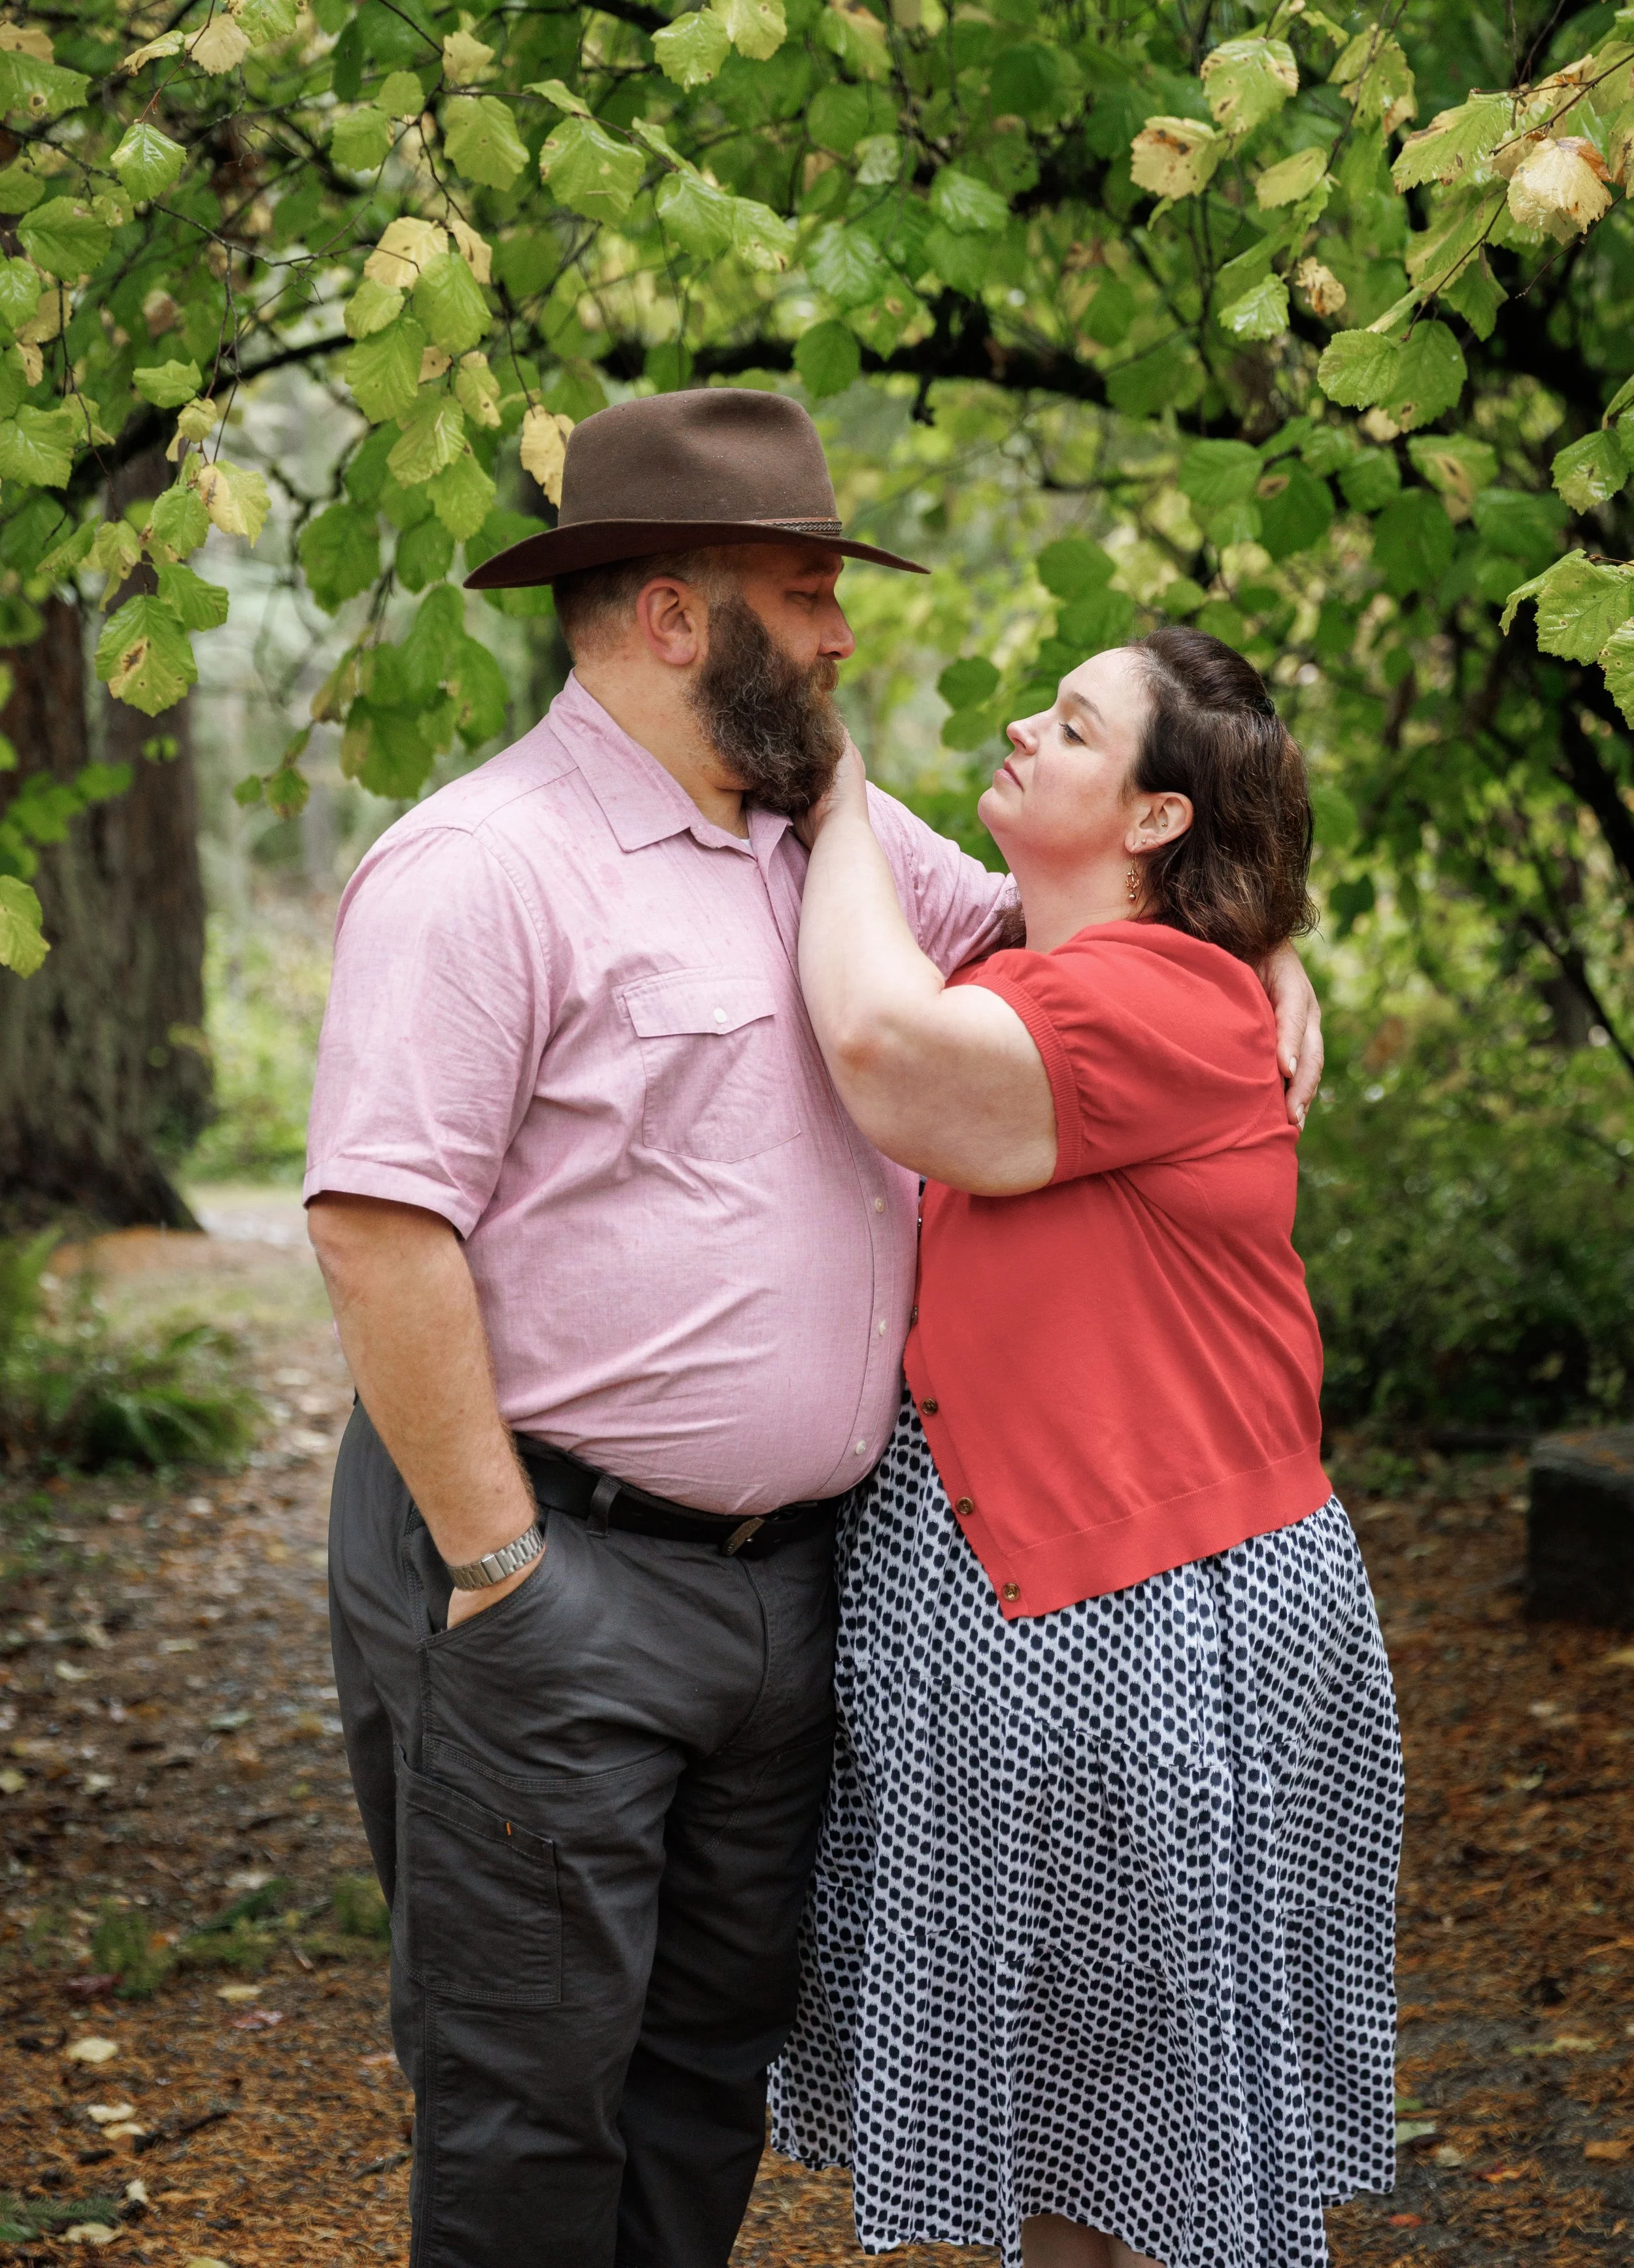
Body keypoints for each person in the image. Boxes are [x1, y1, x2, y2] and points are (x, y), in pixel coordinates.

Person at [303, 388, 1325, 2268]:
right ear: (674, 618)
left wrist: (1270, 949)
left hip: (788, 1599)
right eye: (804, 593)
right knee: (531, 2094)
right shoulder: (481, 867)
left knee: (705, 2078)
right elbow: (378, 1230)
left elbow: (1092, 934)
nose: (844, 634)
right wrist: (500, 1566)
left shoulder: (823, 840)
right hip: (551, 1563)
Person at [771, 625, 1401, 2268]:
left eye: (1067, 727)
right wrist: (1277, 943)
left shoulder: (1163, 997)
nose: (1016, 728)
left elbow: (884, 1055)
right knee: (1071, 2102)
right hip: (1022, 1585)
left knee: (1157, 2103)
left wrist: (837, 784)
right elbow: (883, 878)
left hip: (1150, 1600)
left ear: (1154, 819)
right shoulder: (1042, 955)